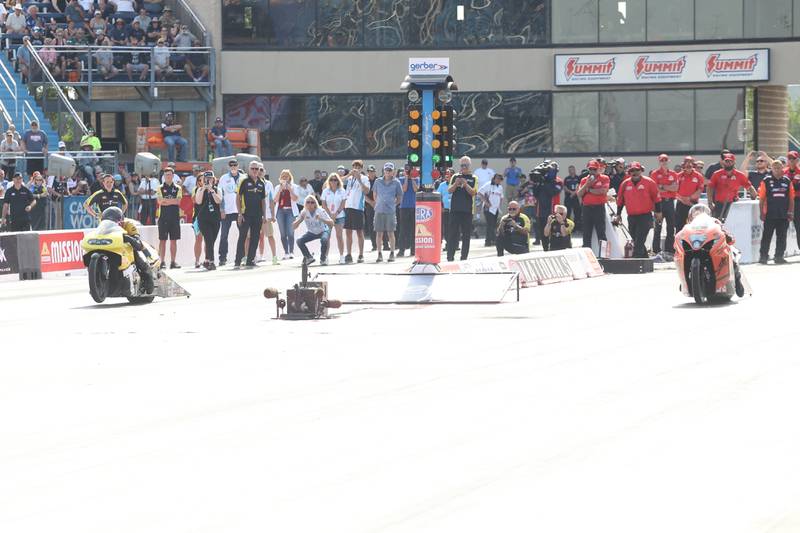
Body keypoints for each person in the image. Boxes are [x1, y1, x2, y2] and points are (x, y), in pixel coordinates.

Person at [98, 206, 155, 293]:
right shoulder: (103, 226)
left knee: (137, 254)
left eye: (113, 220)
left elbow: (137, 241)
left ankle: (148, 278)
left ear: (120, 220)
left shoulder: (128, 225)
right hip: (111, 248)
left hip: (127, 249)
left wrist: (129, 238)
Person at [613, 162, 662, 259]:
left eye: (637, 170)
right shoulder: (625, 183)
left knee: (640, 239)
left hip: (645, 216)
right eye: (632, 171)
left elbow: (657, 198)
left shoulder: (649, 182)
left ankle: (636, 260)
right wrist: (618, 214)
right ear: (629, 172)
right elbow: (620, 200)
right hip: (631, 216)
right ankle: (645, 260)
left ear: (641, 171)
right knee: (636, 239)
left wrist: (658, 212)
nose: (635, 172)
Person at [757, 160, 795, 264]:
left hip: (783, 214)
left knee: (782, 236)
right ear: (771, 169)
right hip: (770, 214)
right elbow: (761, 199)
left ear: (782, 168)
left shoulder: (787, 181)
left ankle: (779, 256)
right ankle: (763, 256)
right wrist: (761, 212)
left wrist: (791, 212)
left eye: (779, 168)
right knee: (766, 236)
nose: (777, 170)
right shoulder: (766, 180)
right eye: (775, 168)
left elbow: (791, 198)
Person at [234, 161, 267, 268]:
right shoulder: (243, 180)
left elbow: (263, 200)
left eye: (256, 169)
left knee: (255, 237)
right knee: (242, 237)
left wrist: (264, 215)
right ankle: (237, 261)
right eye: (252, 168)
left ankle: (250, 260)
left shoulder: (262, 182)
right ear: (249, 169)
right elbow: (238, 197)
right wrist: (239, 213)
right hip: (245, 214)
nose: (254, 171)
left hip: (257, 215)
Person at [708, 153, 757, 220]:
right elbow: (710, 187)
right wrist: (710, 202)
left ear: (734, 162)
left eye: (731, 161)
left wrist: (754, 195)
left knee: (732, 224)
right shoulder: (717, 174)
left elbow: (749, 186)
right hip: (719, 204)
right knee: (717, 223)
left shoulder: (740, 175)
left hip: (733, 204)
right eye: (726, 161)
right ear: (723, 162)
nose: (728, 163)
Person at [446, 156, 478, 261]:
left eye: (466, 165)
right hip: (455, 210)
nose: (463, 167)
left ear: (469, 166)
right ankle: (450, 257)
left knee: (466, 235)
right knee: (452, 234)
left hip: (467, 211)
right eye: (462, 165)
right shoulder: (455, 176)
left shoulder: (474, 177)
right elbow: (449, 190)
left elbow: (473, 192)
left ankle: (464, 257)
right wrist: (456, 183)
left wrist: (465, 184)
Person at [577, 160, 610, 254]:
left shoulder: (604, 178)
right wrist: (587, 185)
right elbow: (579, 194)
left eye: (594, 169)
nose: (592, 171)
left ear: (598, 169)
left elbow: (603, 191)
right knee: (586, 233)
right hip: (587, 208)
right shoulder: (584, 180)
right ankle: (587, 255)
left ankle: (604, 255)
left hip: (599, 208)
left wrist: (589, 190)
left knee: (601, 233)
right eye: (590, 169)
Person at [372, 161, 403, 263]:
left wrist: (393, 204)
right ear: (383, 171)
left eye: (390, 170)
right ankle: (379, 254)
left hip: (390, 211)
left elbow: (399, 197)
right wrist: (378, 204)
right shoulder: (377, 181)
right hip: (379, 210)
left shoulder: (396, 182)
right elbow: (374, 195)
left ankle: (392, 253)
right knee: (379, 232)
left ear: (393, 171)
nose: (388, 172)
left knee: (391, 232)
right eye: (386, 170)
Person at [650, 153, 678, 257]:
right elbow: (655, 188)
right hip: (659, 202)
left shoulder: (674, 174)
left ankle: (669, 250)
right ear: (659, 162)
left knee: (671, 227)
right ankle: (656, 250)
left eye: (665, 160)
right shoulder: (655, 173)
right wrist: (668, 187)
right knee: (658, 227)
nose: (664, 162)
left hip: (670, 202)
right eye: (662, 160)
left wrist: (662, 186)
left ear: (668, 161)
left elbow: (675, 188)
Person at [294, 195, 335, 265]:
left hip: (323, 231)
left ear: (315, 203)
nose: (310, 204)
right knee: (299, 241)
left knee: (324, 240)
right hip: (311, 232)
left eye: (312, 202)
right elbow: (294, 227)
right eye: (308, 202)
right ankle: (309, 257)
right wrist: (300, 219)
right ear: (305, 203)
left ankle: (323, 259)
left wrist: (321, 219)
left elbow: (331, 223)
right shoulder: (304, 212)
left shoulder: (321, 211)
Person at [531, 162, 563, 251]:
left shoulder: (558, 181)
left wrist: (546, 182)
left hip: (553, 210)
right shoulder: (541, 181)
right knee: (543, 232)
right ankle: (545, 249)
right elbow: (535, 194)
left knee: (554, 231)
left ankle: (554, 248)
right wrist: (538, 182)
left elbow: (553, 192)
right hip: (540, 210)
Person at [343, 160, 370, 263]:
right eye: (354, 166)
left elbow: (367, 191)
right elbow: (338, 182)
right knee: (348, 232)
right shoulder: (349, 178)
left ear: (361, 168)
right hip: (348, 207)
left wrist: (359, 179)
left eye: (358, 167)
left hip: (358, 208)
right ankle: (349, 254)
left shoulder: (364, 178)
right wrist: (348, 175)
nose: (356, 168)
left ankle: (361, 254)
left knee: (359, 232)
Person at [217, 159, 243, 265]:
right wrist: (222, 209)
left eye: (235, 165)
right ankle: (222, 258)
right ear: (229, 166)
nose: (233, 166)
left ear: (238, 165)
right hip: (227, 211)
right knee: (224, 235)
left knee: (243, 234)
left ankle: (241, 256)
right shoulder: (224, 178)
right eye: (231, 165)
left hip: (239, 210)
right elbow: (220, 194)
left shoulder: (243, 177)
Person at [193, 170, 221, 270]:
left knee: (212, 241)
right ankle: (212, 262)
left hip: (215, 218)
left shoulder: (217, 189)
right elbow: (198, 201)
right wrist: (204, 189)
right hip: (204, 219)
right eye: (206, 178)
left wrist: (211, 190)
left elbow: (218, 201)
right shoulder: (199, 190)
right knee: (208, 239)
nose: (208, 180)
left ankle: (207, 260)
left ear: (214, 179)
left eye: (210, 178)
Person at [156, 167, 182, 268]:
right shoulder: (160, 188)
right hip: (163, 217)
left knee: (174, 240)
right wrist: (172, 200)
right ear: (164, 176)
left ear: (173, 176)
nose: (168, 176)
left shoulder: (178, 188)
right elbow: (160, 202)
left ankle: (173, 262)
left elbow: (178, 202)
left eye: (170, 174)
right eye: (166, 175)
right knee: (162, 240)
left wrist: (167, 201)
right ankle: (161, 262)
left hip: (175, 217)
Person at [255, 164, 279, 265]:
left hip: (267, 215)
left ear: (264, 171)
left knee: (270, 236)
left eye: (261, 170)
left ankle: (274, 257)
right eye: (257, 169)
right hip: (255, 214)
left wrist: (273, 215)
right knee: (256, 236)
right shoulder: (252, 182)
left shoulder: (269, 184)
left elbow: (271, 200)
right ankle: (257, 256)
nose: (259, 171)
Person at [320, 172, 346, 263]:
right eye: (331, 180)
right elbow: (323, 204)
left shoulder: (342, 191)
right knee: (327, 237)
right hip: (328, 217)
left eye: (335, 180)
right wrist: (330, 215)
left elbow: (343, 203)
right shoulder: (325, 191)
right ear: (329, 181)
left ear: (338, 181)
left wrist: (336, 213)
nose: (333, 181)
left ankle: (342, 256)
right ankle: (326, 257)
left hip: (339, 216)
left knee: (339, 236)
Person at [675, 156, 705, 231]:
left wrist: (689, 199)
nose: (688, 165)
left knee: (694, 225)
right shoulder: (678, 176)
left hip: (693, 204)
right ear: (684, 165)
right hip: (681, 204)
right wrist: (682, 199)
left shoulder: (698, 176)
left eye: (690, 164)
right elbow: (674, 191)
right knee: (680, 226)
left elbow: (700, 189)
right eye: (687, 163)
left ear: (693, 165)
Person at [275, 169, 299, 259]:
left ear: (289, 177)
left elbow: (296, 199)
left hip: (290, 211)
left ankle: (292, 252)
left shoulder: (294, 187)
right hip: (280, 211)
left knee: (290, 232)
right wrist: (280, 190)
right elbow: (275, 200)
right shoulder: (277, 187)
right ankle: (286, 252)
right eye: (283, 176)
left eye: (286, 176)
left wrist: (290, 190)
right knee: (283, 233)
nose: (284, 178)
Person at [397, 165, 418, 257]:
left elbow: (415, 189)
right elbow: (404, 189)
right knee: (403, 230)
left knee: (414, 229)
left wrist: (412, 178)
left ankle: (413, 250)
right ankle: (401, 250)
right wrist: (406, 177)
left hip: (413, 207)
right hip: (404, 207)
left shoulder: (416, 178)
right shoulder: (401, 179)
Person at [478, 173, 503, 247]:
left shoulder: (500, 187)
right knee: (490, 224)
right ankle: (488, 241)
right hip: (488, 208)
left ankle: (492, 240)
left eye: (500, 179)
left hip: (496, 209)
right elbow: (480, 192)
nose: (498, 180)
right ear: (494, 178)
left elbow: (501, 197)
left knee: (494, 225)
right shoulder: (488, 185)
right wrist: (486, 202)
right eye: (497, 178)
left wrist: (499, 205)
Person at [436, 168, 453, 249]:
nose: (448, 176)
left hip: (454, 210)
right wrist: (441, 207)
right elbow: (438, 196)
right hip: (445, 210)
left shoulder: (457, 184)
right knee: (446, 228)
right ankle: (448, 244)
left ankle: (455, 244)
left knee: (454, 228)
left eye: (449, 175)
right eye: (446, 175)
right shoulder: (442, 185)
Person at [363, 164, 378, 252]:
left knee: (381, 225)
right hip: (369, 206)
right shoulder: (365, 181)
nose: (371, 173)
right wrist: (371, 202)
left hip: (379, 205)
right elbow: (363, 194)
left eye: (372, 171)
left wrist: (376, 202)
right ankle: (374, 245)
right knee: (371, 225)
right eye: (369, 171)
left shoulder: (379, 180)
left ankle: (385, 244)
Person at [562, 165, 582, 229]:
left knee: (577, 213)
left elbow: (579, 186)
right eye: (569, 170)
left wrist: (574, 192)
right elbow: (564, 187)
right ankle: (568, 227)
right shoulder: (566, 178)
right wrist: (571, 192)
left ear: (574, 170)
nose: (571, 171)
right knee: (567, 213)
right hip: (568, 198)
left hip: (576, 198)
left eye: (572, 170)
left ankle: (576, 227)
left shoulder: (578, 178)